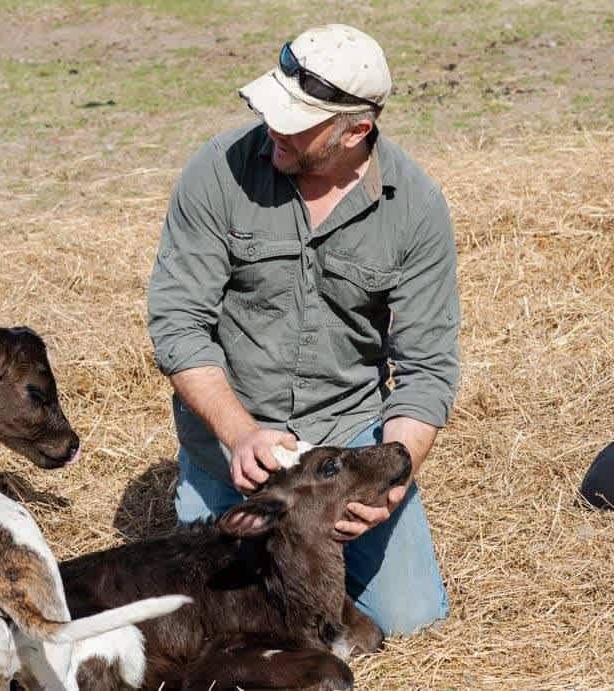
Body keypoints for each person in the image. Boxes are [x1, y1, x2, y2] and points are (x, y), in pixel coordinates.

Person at [146, 24, 460, 636]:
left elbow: (428, 370)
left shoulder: (416, 207)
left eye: (297, 122)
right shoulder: (217, 172)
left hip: (345, 441)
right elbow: (178, 323)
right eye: (273, 108)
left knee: (407, 620)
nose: (274, 127)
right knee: (216, 623)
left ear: (355, 131)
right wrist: (239, 434)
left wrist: (389, 488)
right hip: (233, 447)